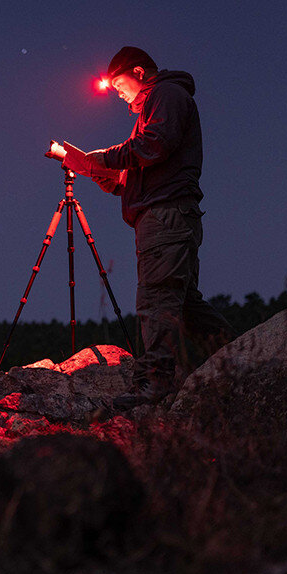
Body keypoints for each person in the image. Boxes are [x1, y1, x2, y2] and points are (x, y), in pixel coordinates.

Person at [50, 46, 234, 409]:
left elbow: (154, 146)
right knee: (182, 304)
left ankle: (154, 384)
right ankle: (242, 358)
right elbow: (144, 167)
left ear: (138, 72)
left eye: (118, 84)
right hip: (169, 216)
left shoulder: (165, 94)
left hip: (165, 217)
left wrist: (100, 158)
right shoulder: (160, 101)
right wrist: (103, 173)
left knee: (157, 299)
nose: (118, 94)